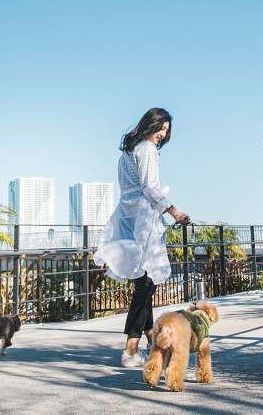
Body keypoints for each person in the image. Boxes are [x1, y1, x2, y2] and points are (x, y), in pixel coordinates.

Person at [94, 108, 189, 367]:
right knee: (146, 285)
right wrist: (174, 212)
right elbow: (150, 187)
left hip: (127, 216)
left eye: (166, 131)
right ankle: (130, 351)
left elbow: (131, 187)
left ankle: (152, 343)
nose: (162, 134)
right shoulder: (146, 149)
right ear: (150, 124)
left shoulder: (127, 151)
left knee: (143, 283)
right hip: (143, 220)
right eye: (161, 128)